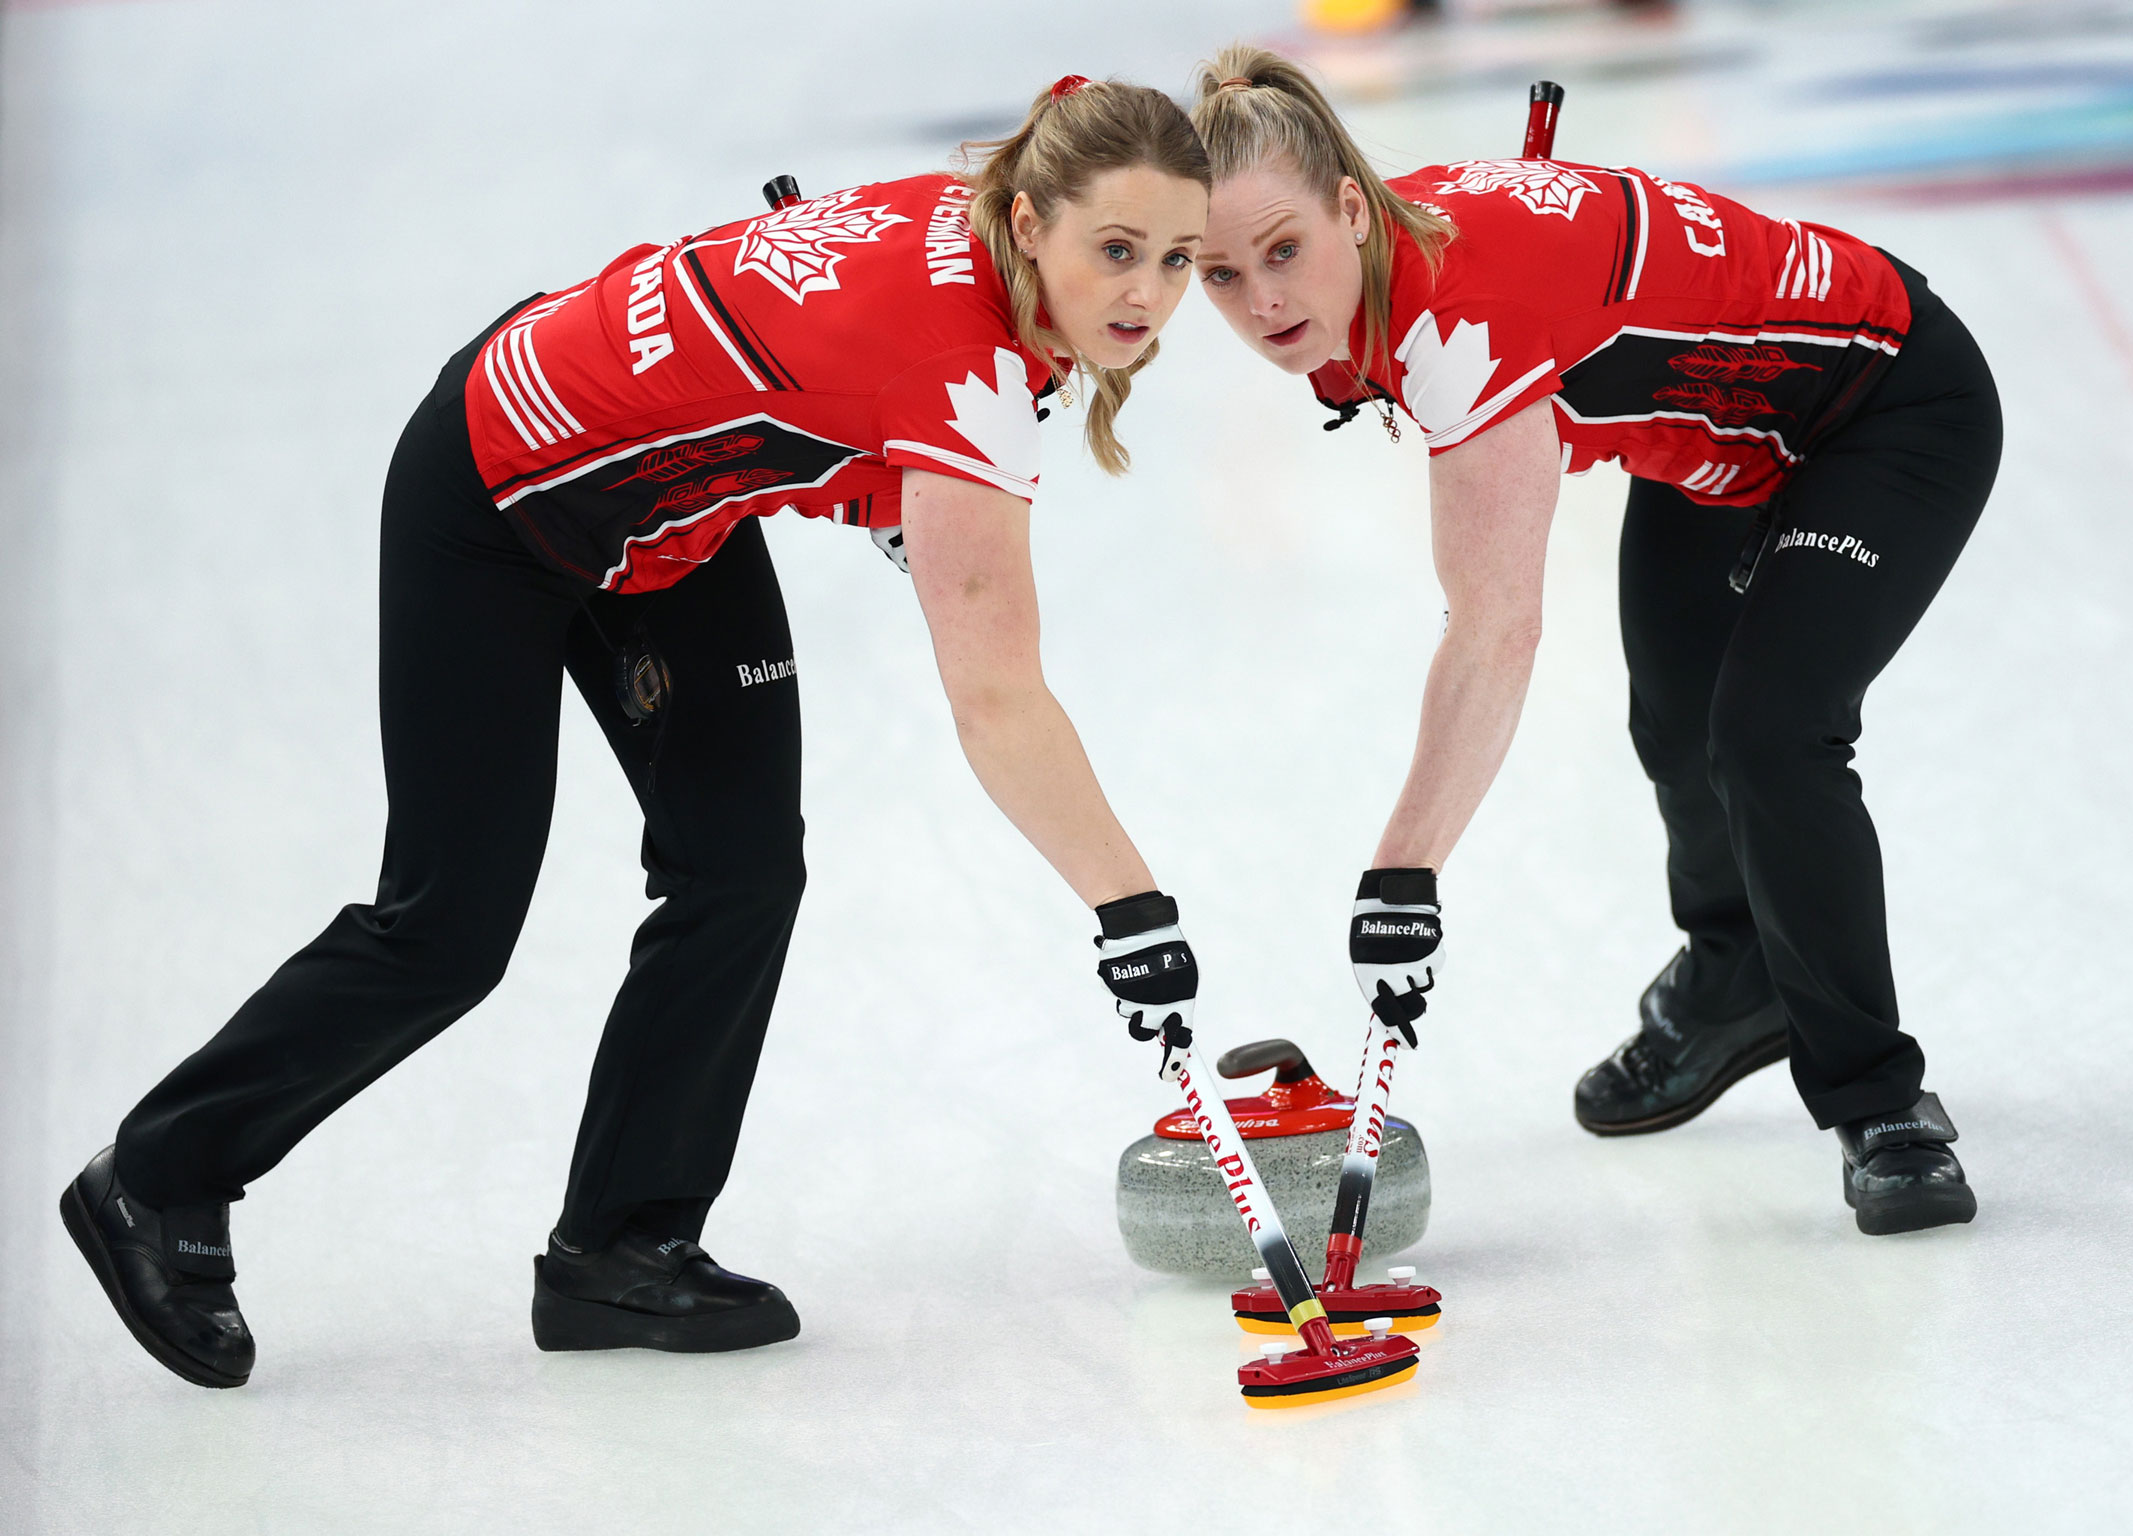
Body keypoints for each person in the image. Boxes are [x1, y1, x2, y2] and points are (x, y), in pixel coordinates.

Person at [61, 76, 1220, 1390]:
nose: (1146, 293)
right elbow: (998, 696)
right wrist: (1133, 909)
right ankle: (153, 1178)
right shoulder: (968, 373)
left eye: (1178, 259)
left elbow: (800, 376)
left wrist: (881, 493)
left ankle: (620, 1250)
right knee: (447, 926)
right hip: (493, 496)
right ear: (1027, 222)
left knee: (740, 869)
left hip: (662, 524)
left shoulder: (967, 236)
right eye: (1115, 250)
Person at [1188, 47, 2001, 1235]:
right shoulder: (1394, 255)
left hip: (1884, 408)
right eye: (1218, 274)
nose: (1262, 302)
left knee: (1770, 735)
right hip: (1717, 433)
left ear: (1352, 208)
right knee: (1675, 721)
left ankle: (1880, 1103)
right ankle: (1734, 977)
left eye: (1282, 251)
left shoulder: (1460, 321)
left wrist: (1404, 872)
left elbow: (1497, 628)